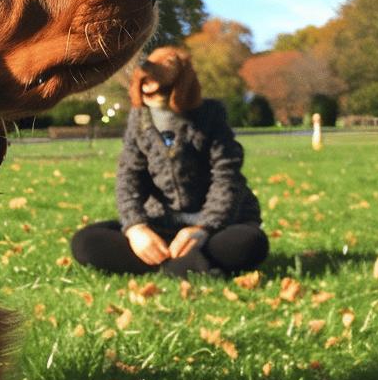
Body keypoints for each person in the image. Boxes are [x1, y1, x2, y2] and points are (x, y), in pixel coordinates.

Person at [70, 47, 268, 278]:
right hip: (161, 227)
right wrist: (136, 228)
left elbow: (227, 178)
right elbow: (129, 177)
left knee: (250, 243)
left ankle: (172, 263)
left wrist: (203, 229)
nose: (150, 86)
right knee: (85, 242)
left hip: (215, 229)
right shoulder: (139, 119)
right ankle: (185, 265)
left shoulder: (211, 116)